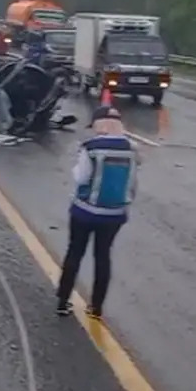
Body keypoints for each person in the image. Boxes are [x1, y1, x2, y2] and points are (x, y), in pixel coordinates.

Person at [55, 105, 137, 320]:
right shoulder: (132, 148)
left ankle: (63, 302)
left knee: (75, 253)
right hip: (115, 214)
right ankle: (96, 307)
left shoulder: (91, 147)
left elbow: (81, 178)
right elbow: (132, 181)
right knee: (103, 257)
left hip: (85, 211)